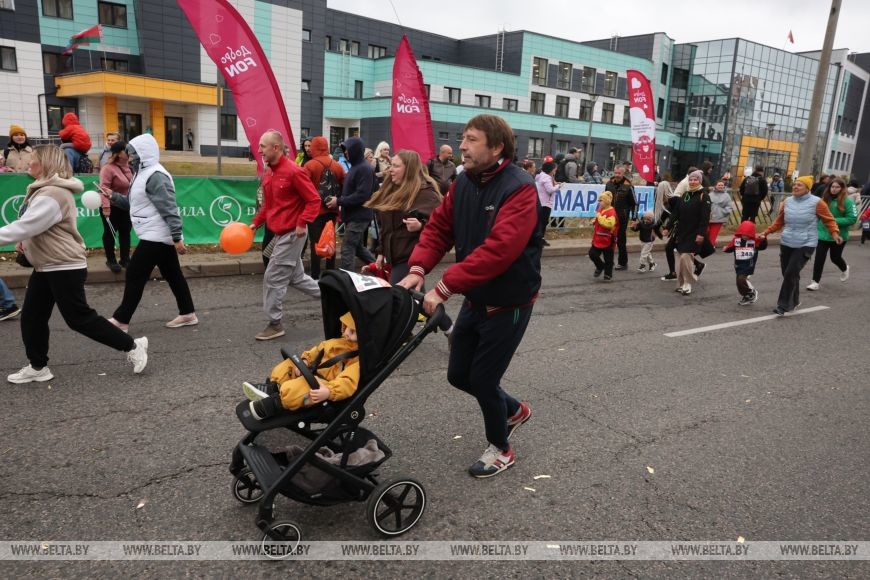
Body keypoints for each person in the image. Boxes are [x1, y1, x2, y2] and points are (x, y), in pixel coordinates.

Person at [397, 114, 538, 479]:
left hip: (509, 302)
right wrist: (417, 269)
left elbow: (500, 250)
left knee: (483, 379)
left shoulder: (520, 188)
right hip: (476, 297)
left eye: (471, 139)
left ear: (496, 147)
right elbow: (441, 228)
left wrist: (445, 286)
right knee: (459, 375)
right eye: (463, 138)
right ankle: (515, 410)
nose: (462, 145)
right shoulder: (463, 182)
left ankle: (501, 448)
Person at [0, 145, 148, 383]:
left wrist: (23, 236)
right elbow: (32, 227)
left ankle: (132, 346)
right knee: (32, 317)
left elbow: (27, 226)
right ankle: (38, 367)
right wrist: (25, 242)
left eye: (34, 160)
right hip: (49, 264)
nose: (29, 164)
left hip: (63, 265)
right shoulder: (45, 190)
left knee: (78, 318)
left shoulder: (53, 194)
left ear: (46, 163)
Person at [104, 134, 197, 332]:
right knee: (172, 274)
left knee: (135, 274)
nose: (129, 157)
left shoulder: (155, 175)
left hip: (156, 234)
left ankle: (121, 319)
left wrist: (177, 237)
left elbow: (169, 207)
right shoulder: (142, 173)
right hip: (154, 232)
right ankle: (188, 313)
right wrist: (114, 197)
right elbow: (136, 204)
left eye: (133, 153)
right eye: (129, 154)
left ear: (143, 153)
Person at [250, 130, 321, 340]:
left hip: (292, 234)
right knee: (297, 278)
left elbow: (314, 200)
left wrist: (302, 222)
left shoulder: (294, 171)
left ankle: (275, 323)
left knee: (272, 278)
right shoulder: (269, 172)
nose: (260, 150)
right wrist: (255, 223)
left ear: (276, 148)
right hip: (279, 234)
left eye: (263, 146)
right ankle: (335, 296)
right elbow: (269, 205)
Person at [243, 311, 360, 420]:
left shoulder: (356, 361)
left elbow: (347, 382)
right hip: (313, 372)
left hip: (325, 386)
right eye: (346, 327)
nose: (346, 333)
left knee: (300, 387)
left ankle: (274, 404)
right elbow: (315, 352)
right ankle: (272, 388)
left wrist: (329, 391)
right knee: (288, 365)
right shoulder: (334, 342)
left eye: (352, 331)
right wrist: (305, 361)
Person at [760, 176, 842, 316]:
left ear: (807, 188)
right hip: (787, 242)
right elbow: (779, 222)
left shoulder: (817, 202)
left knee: (790, 273)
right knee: (789, 274)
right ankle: (795, 300)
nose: (795, 187)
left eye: (799, 185)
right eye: (794, 185)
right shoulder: (788, 201)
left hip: (806, 243)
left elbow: (829, 220)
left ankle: (783, 305)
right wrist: (766, 233)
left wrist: (834, 234)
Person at [365, 149, 444, 285]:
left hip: (410, 259)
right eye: (391, 165)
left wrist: (421, 226)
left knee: (400, 299)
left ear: (409, 169)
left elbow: (441, 226)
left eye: (396, 166)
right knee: (408, 301)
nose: (390, 170)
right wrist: (381, 252)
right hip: (393, 258)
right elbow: (385, 226)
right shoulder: (392, 189)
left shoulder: (425, 193)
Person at [303, 136, 345, 280]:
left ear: (314, 147)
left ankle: (315, 276)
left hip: (314, 212)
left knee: (316, 243)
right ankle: (330, 275)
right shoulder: (337, 165)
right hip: (331, 211)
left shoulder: (309, 165)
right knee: (330, 242)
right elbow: (344, 186)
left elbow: (302, 188)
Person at [662, 170, 710, 296]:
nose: (693, 182)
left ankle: (688, 283)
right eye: (691, 179)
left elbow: (705, 218)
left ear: (700, 181)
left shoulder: (704, 196)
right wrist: (667, 227)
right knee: (681, 259)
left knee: (685, 257)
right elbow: (675, 213)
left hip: (695, 232)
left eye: (696, 180)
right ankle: (681, 284)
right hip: (682, 232)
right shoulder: (685, 195)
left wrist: (701, 234)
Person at [806, 177, 857, 291]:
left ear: (842, 188)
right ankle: (815, 282)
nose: (834, 189)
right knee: (819, 258)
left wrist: (832, 220)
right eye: (832, 187)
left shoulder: (848, 201)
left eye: (837, 187)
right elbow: (816, 214)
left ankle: (844, 268)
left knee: (835, 258)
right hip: (822, 234)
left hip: (839, 235)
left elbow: (852, 219)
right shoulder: (823, 200)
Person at [338, 137, 377, 272]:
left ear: (355, 150)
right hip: (355, 215)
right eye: (344, 151)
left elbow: (362, 195)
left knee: (347, 248)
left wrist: (339, 201)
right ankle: (382, 270)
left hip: (359, 216)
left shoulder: (364, 169)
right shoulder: (356, 167)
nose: (345, 154)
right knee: (358, 248)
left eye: (347, 150)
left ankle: (346, 282)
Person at [98, 140, 133, 273]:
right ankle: (111, 260)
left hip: (126, 206)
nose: (129, 152)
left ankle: (125, 259)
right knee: (110, 233)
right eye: (126, 149)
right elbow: (103, 189)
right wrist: (106, 207)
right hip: (111, 207)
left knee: (125, 233)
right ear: (118, 153)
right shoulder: (108, 168)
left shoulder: (131, 167)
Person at [723, 220, 768, 306]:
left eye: (748, 235)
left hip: (749, 265)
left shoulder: (755, 241)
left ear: (751, 234)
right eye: (743, 235)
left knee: (741, 279)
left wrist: (763, 240)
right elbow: (731, 247)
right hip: (738, 264)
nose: (745, 237)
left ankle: (751, 292)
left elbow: (763, 247)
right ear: (740, 233)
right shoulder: (736, 240)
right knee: (739, 283)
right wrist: (726, 249)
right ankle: (746, 296)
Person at [605, 165, 637, 270]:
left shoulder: (629, 186)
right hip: (609, 218)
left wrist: (634, 218)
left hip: (622, 218)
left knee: (621, 241)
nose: (617, 175)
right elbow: (605, 201)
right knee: (608, 240)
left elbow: (634, 204)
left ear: (623, 173)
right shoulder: (609, 184)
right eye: (616, 173)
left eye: (619, 173)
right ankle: (608, 262)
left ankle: (623, 263)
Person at [589, 190, 617, 280]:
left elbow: (609, 224)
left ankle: (608, 274)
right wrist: (594, 221)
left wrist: (599, 218)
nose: (599, 202)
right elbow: (598, 218)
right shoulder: (601, 209)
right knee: (592, 254)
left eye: (601, 201)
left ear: (606, 201)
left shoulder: (611, 212)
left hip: (608, 239)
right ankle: (600, 266)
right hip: (598, 238)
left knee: (608, 258)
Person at [535, 161, 560, 245]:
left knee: (540, 222)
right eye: (554, 170)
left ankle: (538, 238)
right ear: (551, 169)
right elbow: (550, 189)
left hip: (541, 202)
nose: (555, 171)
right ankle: (540, 239)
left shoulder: (541, 176)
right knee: (543, 222)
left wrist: (555, 184)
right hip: (545, 203)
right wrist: (558, 186)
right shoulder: (547, 178)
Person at [707, 180, 734, 247]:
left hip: (719, 218)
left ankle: (710, 246)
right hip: (709, 217)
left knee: (713, 234)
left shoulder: (727, 196)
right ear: (715, 186)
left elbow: (729, 206)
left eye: (722, 185)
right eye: (719, 185)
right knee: (706, 232)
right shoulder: (710, 194)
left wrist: (723, 212)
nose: (720, 186)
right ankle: (705, 245)